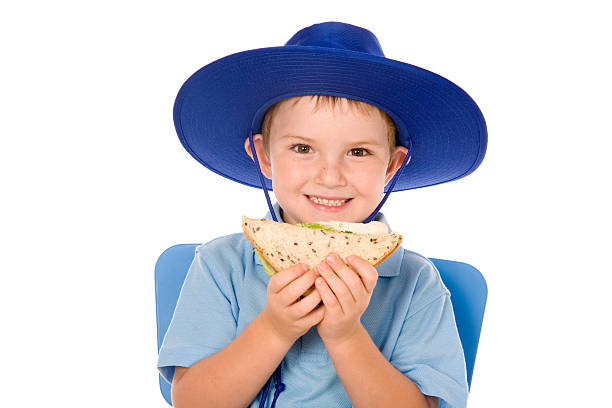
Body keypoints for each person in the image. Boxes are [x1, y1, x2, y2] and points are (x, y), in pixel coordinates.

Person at [157, 21, 487, 408]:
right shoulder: (220, 265)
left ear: (392, 167)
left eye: (358, 152)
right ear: (264, 157)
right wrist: (274, 328)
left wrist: (346, 336)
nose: (330, 175)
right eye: (302, 148)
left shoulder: (416, 284)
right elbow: (192, 402)